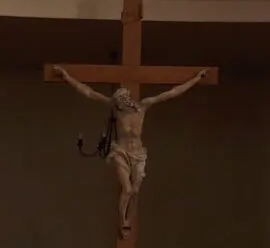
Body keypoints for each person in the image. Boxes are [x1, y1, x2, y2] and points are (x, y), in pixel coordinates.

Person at [51, 66, 210, 235]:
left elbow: (172, 93)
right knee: (127, 189)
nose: (118, 105)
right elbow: (89, 93)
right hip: (121, 151)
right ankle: (123, 221)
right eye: (117, 103)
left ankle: (130, 219)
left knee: (135, 190)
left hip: (138, 154)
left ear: (126, 101)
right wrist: (67, 77)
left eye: (120, 103)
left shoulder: (143, 107)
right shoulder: (116, 110)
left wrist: (196, 79)